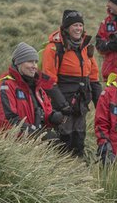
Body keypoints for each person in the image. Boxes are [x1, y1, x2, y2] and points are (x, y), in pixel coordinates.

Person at [41, 10, 102, 158]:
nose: (78, 29)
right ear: (66, 27)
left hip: (80, 105)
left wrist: (101, 104)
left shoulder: (86, 47)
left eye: (80, 25)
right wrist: (63, 106)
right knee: (62, 142)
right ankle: (59, 175)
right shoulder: (54, 48)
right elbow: (48, 80)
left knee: (79, 140)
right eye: (75, 25)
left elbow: (93, 78)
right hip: (62, 106)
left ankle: (77, 172)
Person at [0, 42, 61, 138]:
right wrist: (35, 134)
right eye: (30, 61)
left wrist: (52, 117)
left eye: (36, 62)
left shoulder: (37, 87)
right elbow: (8, 120)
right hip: (14, 145)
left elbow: (45, 111)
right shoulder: (6, 87)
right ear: (18, 63)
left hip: (34, 142)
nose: (34, 66)